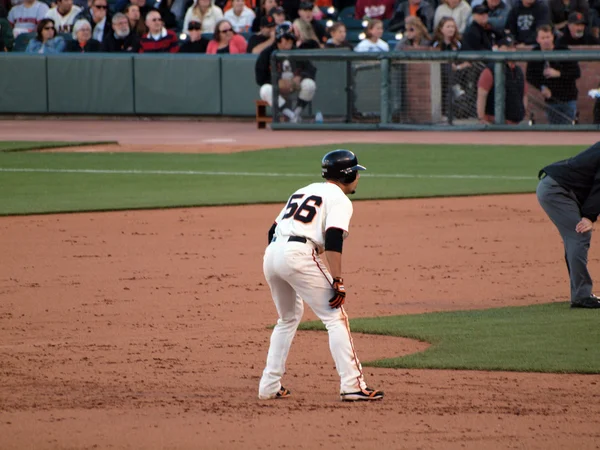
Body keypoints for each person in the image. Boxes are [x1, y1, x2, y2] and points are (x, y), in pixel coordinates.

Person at [258, 149, 385, 401]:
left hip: (272, 253)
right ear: (347, 175)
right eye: (356, 173)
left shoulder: (303, 190)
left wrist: (282, 258)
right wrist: (338, 280)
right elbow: (335, 236)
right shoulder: (340, 200)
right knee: (335, 317)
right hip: (298, 254)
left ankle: (269, 386)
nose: (358, 178)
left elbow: (272, 229)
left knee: (287, 319)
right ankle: (352, 385)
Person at [536, 142, 600, 309]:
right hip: (557, 191)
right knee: (579, 234)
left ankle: (580, 293)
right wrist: (588, 217)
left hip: (564, 189)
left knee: (575, 237)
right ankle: (581, 296)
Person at [255, 21, 317, 123]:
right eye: (287, 39)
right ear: (279, 39)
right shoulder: (267, 53)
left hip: (294, 85)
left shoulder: (297, 52)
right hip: (277, 88)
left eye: (292, 39)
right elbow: (260, 78)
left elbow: (311, 70)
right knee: (265, 90)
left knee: (309, 84)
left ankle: (296, 112)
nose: (290, 42)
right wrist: (276, 82)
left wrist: (300, 77)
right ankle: (290, 114)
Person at [526, 24, 581, 124]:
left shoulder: (563, 50)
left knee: (569, 130)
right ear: (538, 39)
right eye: (543, 38)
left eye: (548, 37)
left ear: (553, 37)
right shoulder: (535, 53)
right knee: (554, 131)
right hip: (551, 100)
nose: (546, 40)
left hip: (568, 98)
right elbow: (530, 75)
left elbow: (576, 73)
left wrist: (559, 73)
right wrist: (542, 87)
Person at [476, 35, 527, 124]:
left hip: (515, 123)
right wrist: (481, 118)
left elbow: (524, 94)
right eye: (507, 47)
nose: (511, 50)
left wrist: (523, 114)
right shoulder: (490, 69)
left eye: (513, 47)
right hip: (494, 122)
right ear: (498, 49)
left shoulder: (518, 70)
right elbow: (482, 94)